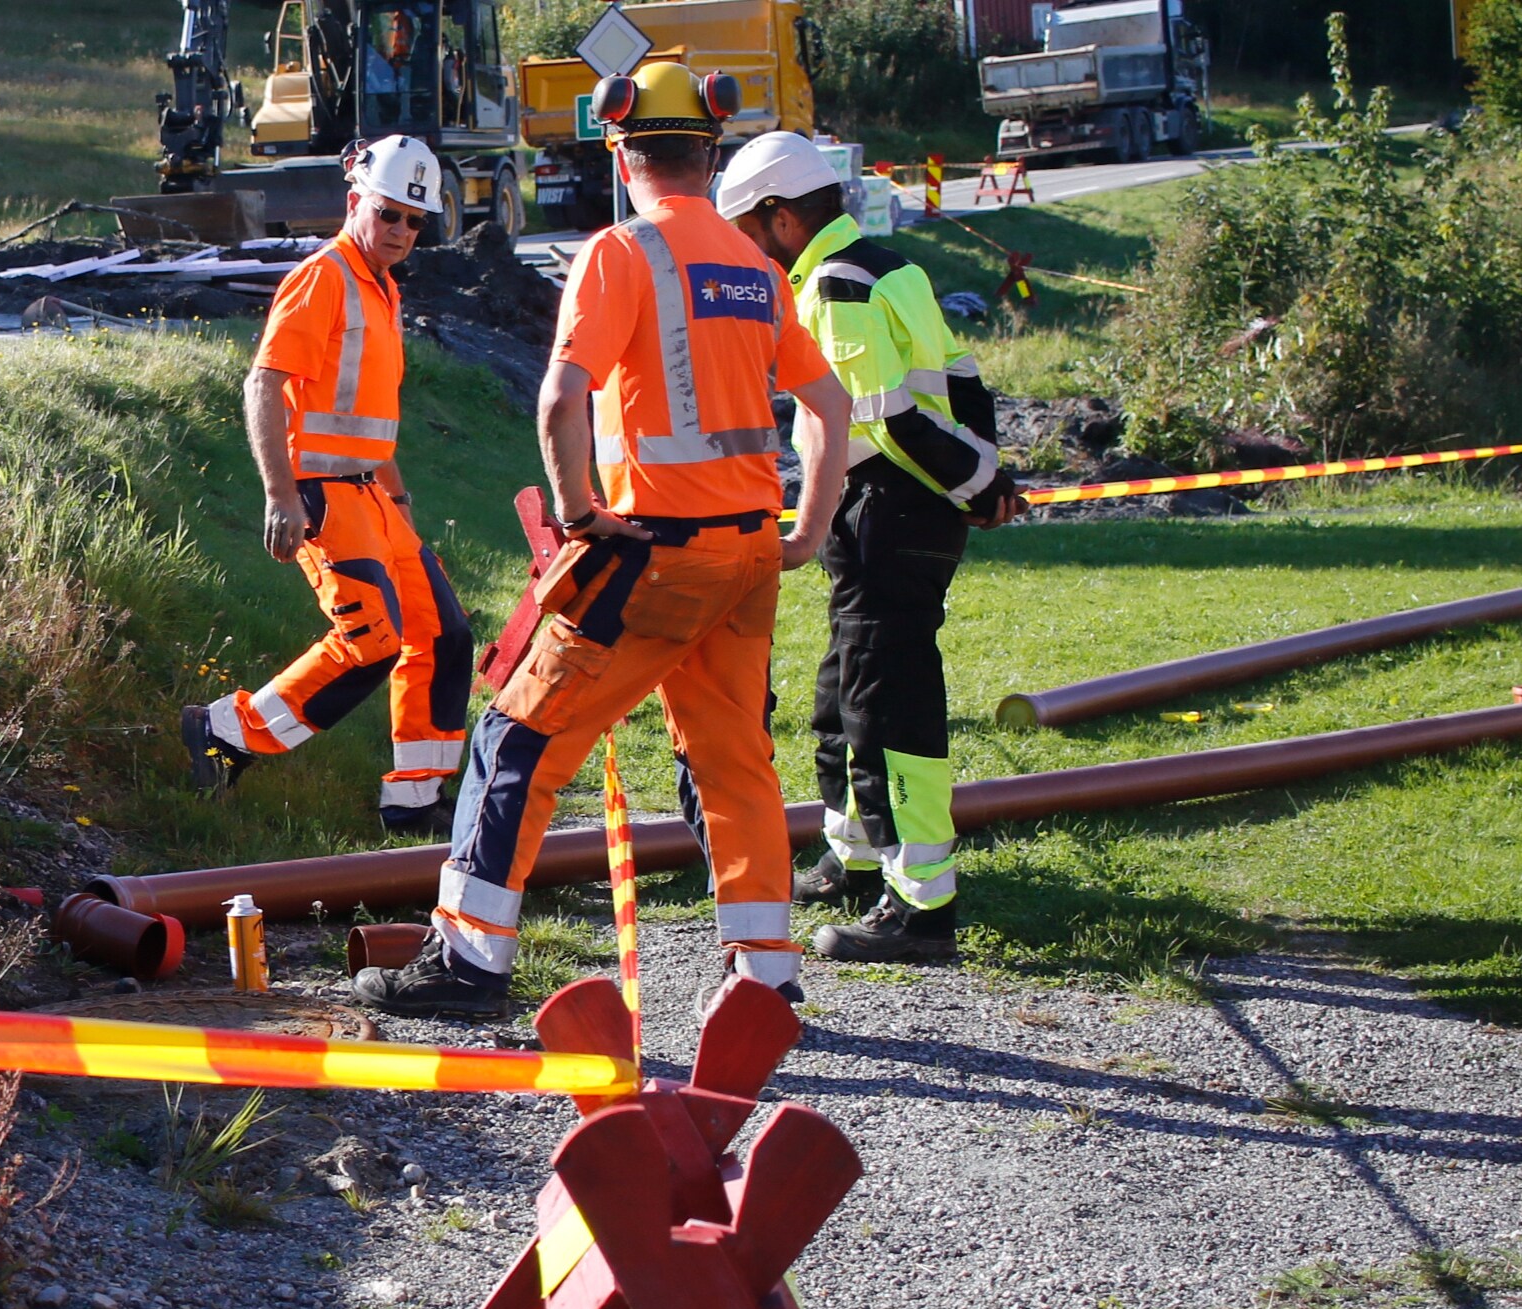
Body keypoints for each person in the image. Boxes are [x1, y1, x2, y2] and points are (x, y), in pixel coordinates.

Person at [355, 63, 852, 1020]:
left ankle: (469, 961)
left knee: (515, 738)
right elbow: (827, 407)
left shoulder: (620, 253)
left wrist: (578, 511)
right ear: (709, 156)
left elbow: (561, 399)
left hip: (649, 553)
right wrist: (808, 529)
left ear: (622, 153)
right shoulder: (756, 268)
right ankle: (765, 978)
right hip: (747, 551)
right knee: (735, 759)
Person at [715, 131, 1026, 963]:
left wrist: (972, 485)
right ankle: (850, 857)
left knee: (886, 706)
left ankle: (919, 904)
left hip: (890, 511)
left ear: (779, 218)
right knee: (842, 691)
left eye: (745, 229)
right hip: (904, 513)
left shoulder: (833, 286)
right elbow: (963, 381)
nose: (746, 249)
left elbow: (883, 418)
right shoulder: (894, 266)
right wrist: (988, 480)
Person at [182, 135, 472, 835]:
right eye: (389, 213)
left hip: (373, 495)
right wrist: (280, 496)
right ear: (355, 204)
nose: (402, 230)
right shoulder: (326, 276)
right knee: (371, 641)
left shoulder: (382, 289)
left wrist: (399, 500)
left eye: (414, 220)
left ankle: (415, 800)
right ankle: (227, 731)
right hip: (322, 495)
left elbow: (369, 418)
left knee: (445, 636)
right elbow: (264, 382)